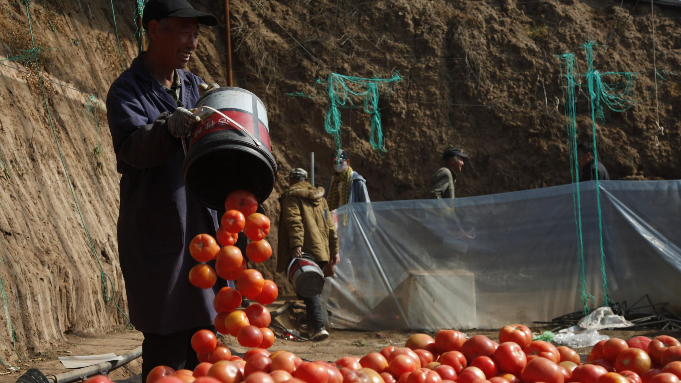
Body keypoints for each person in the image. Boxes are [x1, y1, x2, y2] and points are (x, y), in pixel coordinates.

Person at [106, 0, 223, 380]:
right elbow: (132, 149)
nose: (193, 42)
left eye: (197, 34)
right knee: (166, 347)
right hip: (159, 236)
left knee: (207, 343)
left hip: (203, 231)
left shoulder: (195, 87)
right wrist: (167, 128)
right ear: (155, 30)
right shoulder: (126, 91)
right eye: (185, 32)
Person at [276, 168, 339, 341]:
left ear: (291, 181)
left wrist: (296, 244)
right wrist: (334, 250)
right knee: (310, 288)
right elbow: (330, 227)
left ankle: (318, 327)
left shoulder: (291, 196)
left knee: (310, 288)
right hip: (320, 250)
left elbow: (293, 220)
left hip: (304, 249)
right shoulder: (321, 200)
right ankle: (313, 326)